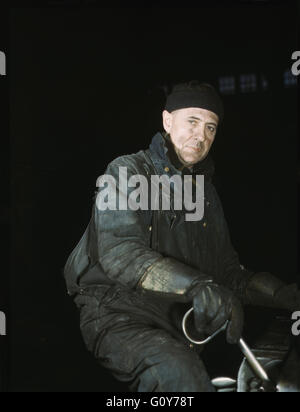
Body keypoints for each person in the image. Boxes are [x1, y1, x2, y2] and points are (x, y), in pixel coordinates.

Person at [63, 81, 300, 392]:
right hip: (118, 316)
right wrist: (198, 285)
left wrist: (282, 295)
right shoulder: (127, 172)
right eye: (192, 121)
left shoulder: (206, 195)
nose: (201, 136)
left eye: (211, 128)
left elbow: (229, 274)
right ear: (167, 120)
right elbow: (120, 253)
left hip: (179, 325)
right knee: (180, 375)